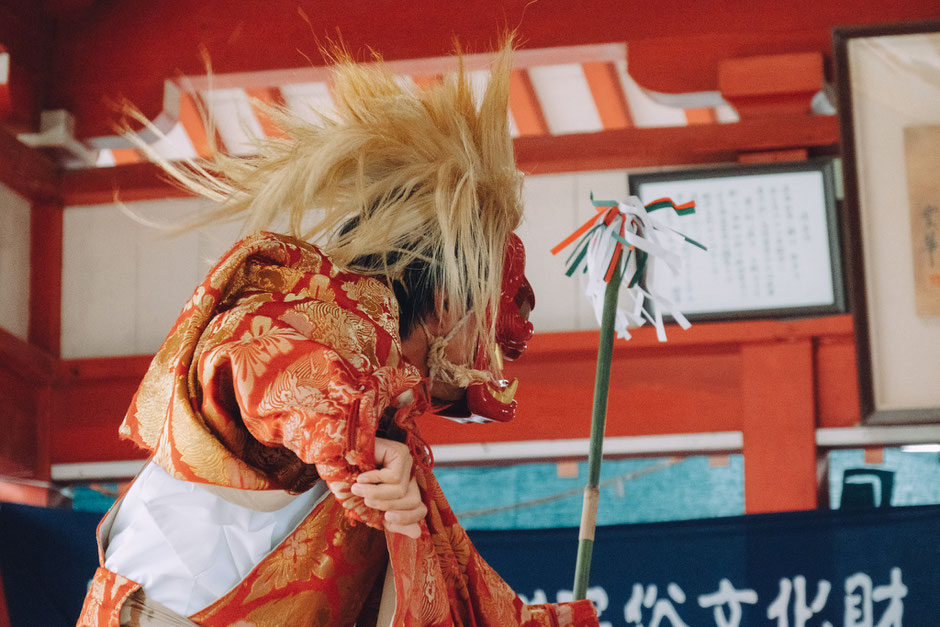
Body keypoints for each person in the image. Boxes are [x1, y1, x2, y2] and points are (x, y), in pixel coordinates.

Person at [77, 40, 598, 626]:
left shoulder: (384, 426)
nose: (502, 355)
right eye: (494, 319)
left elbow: (460, 594)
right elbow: (262, 365)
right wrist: (347, 441)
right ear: (448, 303)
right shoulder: (321, 315)